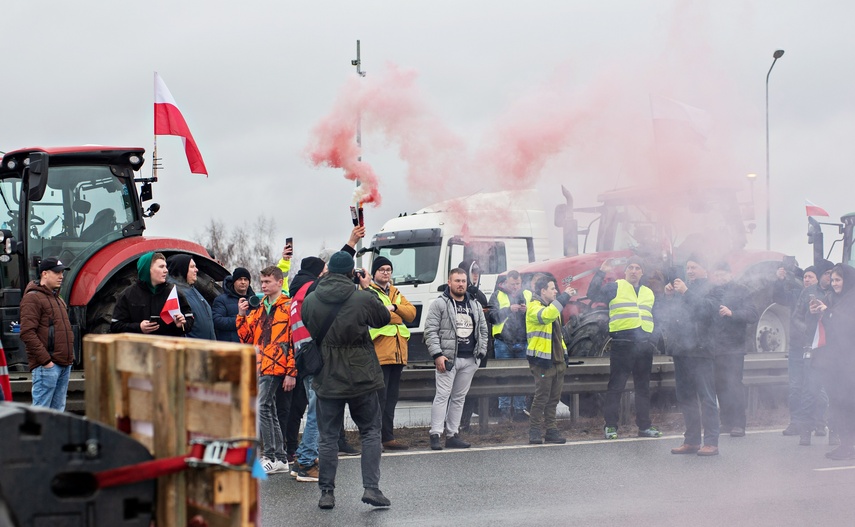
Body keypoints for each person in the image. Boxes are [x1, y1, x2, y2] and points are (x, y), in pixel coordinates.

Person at [301, 251, 392, 510]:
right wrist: (367, 288)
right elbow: (383, 319)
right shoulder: (362, 297)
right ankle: (372, 488)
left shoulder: (311, 300)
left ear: (328, 271)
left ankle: (327, 493)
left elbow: (309, 325)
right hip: (361, 374)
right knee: (370, 431)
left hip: (327, 373)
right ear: (352, 272)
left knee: (327, 437)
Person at [587, 256, 661, 440]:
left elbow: (656, 316)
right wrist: (601, 272)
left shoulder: (648, 292)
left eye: (637, 268)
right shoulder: (615, 287)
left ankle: (644, 427)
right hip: (623, 344)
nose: (634, 271)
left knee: (643, 388)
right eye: (631, 268)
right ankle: (611, 426)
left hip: (644, 346)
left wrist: (653, 337)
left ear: (642, 272)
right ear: (625, 271)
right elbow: (592, 294)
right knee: (616, 387)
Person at [236, 266, 295, 475]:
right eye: (262, 282)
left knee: (263, 406)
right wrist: (242, 315)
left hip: (277, 364)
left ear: (279, 282)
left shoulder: (288, 307)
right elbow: (246, 337)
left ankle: (271, 456)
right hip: (262, 363)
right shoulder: (260, 307)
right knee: (268, 408)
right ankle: (279, 457)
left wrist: (291, 371)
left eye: (267, 281)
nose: (263, 286)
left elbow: (293, 341)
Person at [662, 256, 720, 456]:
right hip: (682, 349)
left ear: (705, 269)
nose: (690, 271)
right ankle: (692, 441)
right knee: (685, 396)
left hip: (701, 350)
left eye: (694, 267)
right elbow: (671, 316)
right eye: (688, 267)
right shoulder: (682, 290)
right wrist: (669, 296)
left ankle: (712, 441)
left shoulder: (713, 287)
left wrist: (685, 292)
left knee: (706, 397)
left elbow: (707, 310)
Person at [425, 268, 488, 450]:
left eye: (463, 281)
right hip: (448, 359)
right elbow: (430, 331)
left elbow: (483, 330)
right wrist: (437, 355)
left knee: (459, 398)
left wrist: (480, 354)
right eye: (457, 280)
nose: (461, 284)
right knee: (442, 396)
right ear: (449, 282)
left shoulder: (474, 305)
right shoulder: (440, 304)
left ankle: (452, 434)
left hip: (470, 359)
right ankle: (435, 434)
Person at [366, 256, 417, 451]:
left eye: (388, 269)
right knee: (379, 398)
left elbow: (412, 314)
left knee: (391, 397)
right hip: (380, 353)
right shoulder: (369, 292)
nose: (386, 272)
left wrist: (395, 308)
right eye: (382, 270)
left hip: (397, 353)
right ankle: (375, 438)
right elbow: (377, 315)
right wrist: (397, 315)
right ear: (374, 273)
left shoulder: (396, 292)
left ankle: (388, 436)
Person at [783, 259, 833, 444]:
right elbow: (796, 317)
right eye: (827, 274)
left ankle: (823, 424)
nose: (831, 278)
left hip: (831, 349)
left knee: (826, 390)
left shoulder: (838, 293)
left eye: (833, 274)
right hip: (809, 347)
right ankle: (802, 426)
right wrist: (809, 330)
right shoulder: (808, 292)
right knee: (805, 388)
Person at [287, 255, 327, 482]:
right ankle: (306, 463)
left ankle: (302, 456)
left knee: (314, 409)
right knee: (317, 411)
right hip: (314, 355)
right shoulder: (311, 289)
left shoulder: (298, 291)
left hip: (303, 355)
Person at [809, 264, 855, 460]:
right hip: (832, 362)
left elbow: (848, 324)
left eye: (839, 280)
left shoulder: (852, 298)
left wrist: (828, 312)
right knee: (837, 404)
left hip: (849, 361)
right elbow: (818, 326)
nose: (835, 284)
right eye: (833, 280)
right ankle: (845, 445)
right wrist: (813, 312)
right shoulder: (830, 298)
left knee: (849, 403)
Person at [708, 261, 758, 438]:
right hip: (715, 347)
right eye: (717, 274)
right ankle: (726, 422)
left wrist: (732, 313)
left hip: (734, 348)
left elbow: (752, 314)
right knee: (719, 386)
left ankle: (739, 424)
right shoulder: (711, 292)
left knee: (734, 385)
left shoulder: (741, 290)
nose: (720, 277)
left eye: (723, 274)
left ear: (730, 275)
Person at [525, 274, 575, 445]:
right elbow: (546, 315)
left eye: (556, 289)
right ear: (542, 290)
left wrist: (565, 355)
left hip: (557, 361)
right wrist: (564, 297)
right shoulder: (533, 307)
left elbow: (557, 335)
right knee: (541, 398)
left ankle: (551, 430)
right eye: (552, 288)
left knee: (554, 399)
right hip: (542, 362)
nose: (555, 291)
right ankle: (535, 431)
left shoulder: (553, 307)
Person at [20, 257, 74, 411]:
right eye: (57, 272)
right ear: (44, 273)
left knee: (57, 415)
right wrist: (46, 362)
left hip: (63, 364)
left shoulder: (57, 299)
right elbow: (27, 333)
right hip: (48, 366)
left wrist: (69, 359)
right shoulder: (33, 298)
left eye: (62, 272)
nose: (61, 276)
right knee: (41, 415)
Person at [111, 252, 192, 336]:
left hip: (168, 347)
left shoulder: (174, 292)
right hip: (140, 348)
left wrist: (182, 325)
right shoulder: (127, 294)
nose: (166, 270)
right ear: (147, 269)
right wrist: (139, 327)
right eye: (161, 267)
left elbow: (189, 319)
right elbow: (115, 326)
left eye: (166, 266)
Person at [488, 270, 529, 422]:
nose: (515, 287)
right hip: (503, 342)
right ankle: (504, 412)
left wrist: (527, 311)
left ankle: (519, 411)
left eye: (518, 284)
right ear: (506, 282)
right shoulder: (497, 295)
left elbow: (537, 314)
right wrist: (508, 310)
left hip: (523, 341)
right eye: (513, 284)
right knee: (503, 377)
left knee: (521, 378)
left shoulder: (527, 294)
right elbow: (492, 316)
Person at [456, 259, 491, 432]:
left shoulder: (480, 295)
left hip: (478, 352)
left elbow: (487, 326)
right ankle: (454, 424)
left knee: (473, 390)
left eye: (478, 271)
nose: (476, 275)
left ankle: (466, 423)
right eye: (473, 271)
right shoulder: (455, 294)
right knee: (457, 392)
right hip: (461, 351)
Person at [167, 255, 215, 340]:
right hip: (192, 349)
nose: (196, 270)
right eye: (192, 267)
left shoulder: (192, 289)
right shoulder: (174, 293)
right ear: (182, 269)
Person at [212, 267, 255, 342]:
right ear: (234, 282)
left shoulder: (254, 301)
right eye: (239, 279)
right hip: (230, 347)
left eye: (246, 279)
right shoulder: (221, 300)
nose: (243, 282)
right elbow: (217, 321)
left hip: (250, 347)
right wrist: (240, 320)